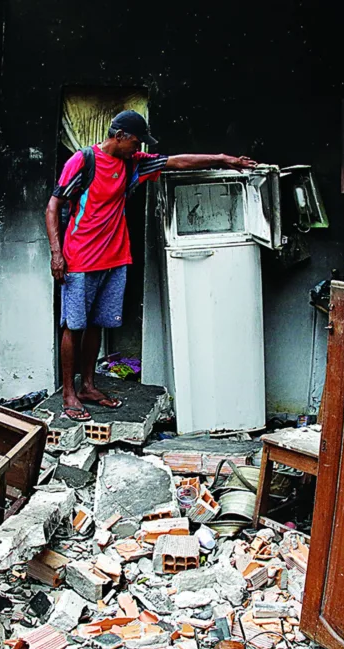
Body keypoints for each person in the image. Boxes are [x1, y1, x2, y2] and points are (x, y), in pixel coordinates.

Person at [45, 110, 257, 421]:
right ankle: (68, 393)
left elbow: (178, 161)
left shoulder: (133, 163)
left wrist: (225, 159)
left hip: (114, 258)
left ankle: (88, 386)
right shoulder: (83, 161)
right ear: (119, 136)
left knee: (95, 325)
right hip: (79, 258)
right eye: (135, 140)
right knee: (73, 326)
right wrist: (56, 253)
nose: (138, 146)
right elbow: (54, 206)